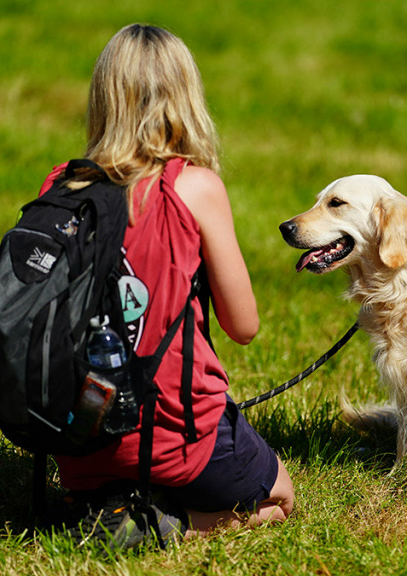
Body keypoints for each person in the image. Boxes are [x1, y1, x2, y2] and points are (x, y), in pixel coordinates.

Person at [38, 24, 293, 548]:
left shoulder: (61, 184)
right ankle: (164, 524)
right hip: (173, 438)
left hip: (75, 435)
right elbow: (244, 327)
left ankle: (99, 504)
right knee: (280, 497)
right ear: (186, 99)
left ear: (105, 98)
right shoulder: (194, 187)